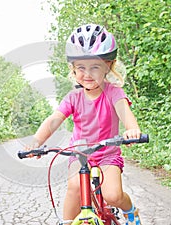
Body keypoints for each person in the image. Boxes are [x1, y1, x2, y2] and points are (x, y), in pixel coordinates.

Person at [28, 24, 142, 225]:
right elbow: (53, 120)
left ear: (108, 66)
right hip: (79, 154)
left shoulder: (114, 93)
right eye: (81, 67)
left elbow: (125, 113)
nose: (87, 73)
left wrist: (132, 130)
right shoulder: (73, 97)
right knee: (74, 188)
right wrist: (36, 141)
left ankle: (130, 209)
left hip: (107, 154)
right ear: (73, 68)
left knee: (113, 195)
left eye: (95, 67)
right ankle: (67, 222)